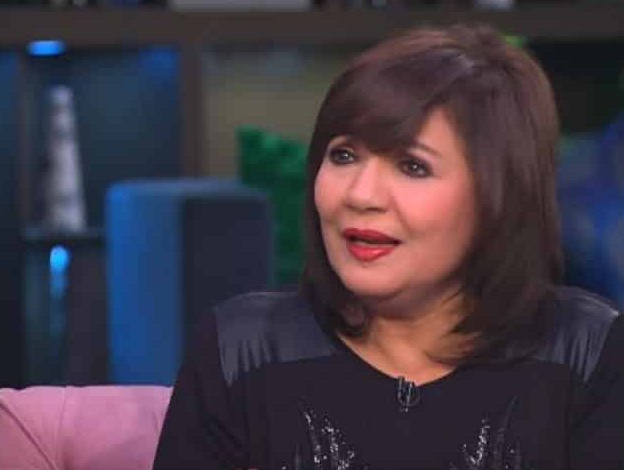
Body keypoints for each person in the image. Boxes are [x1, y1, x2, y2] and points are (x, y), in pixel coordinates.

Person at [153, 24, 623, 470]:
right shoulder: (242, 350)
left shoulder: (586, 352)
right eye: (343, 155)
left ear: (498, 197)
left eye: (412, 166)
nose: (360, 195)